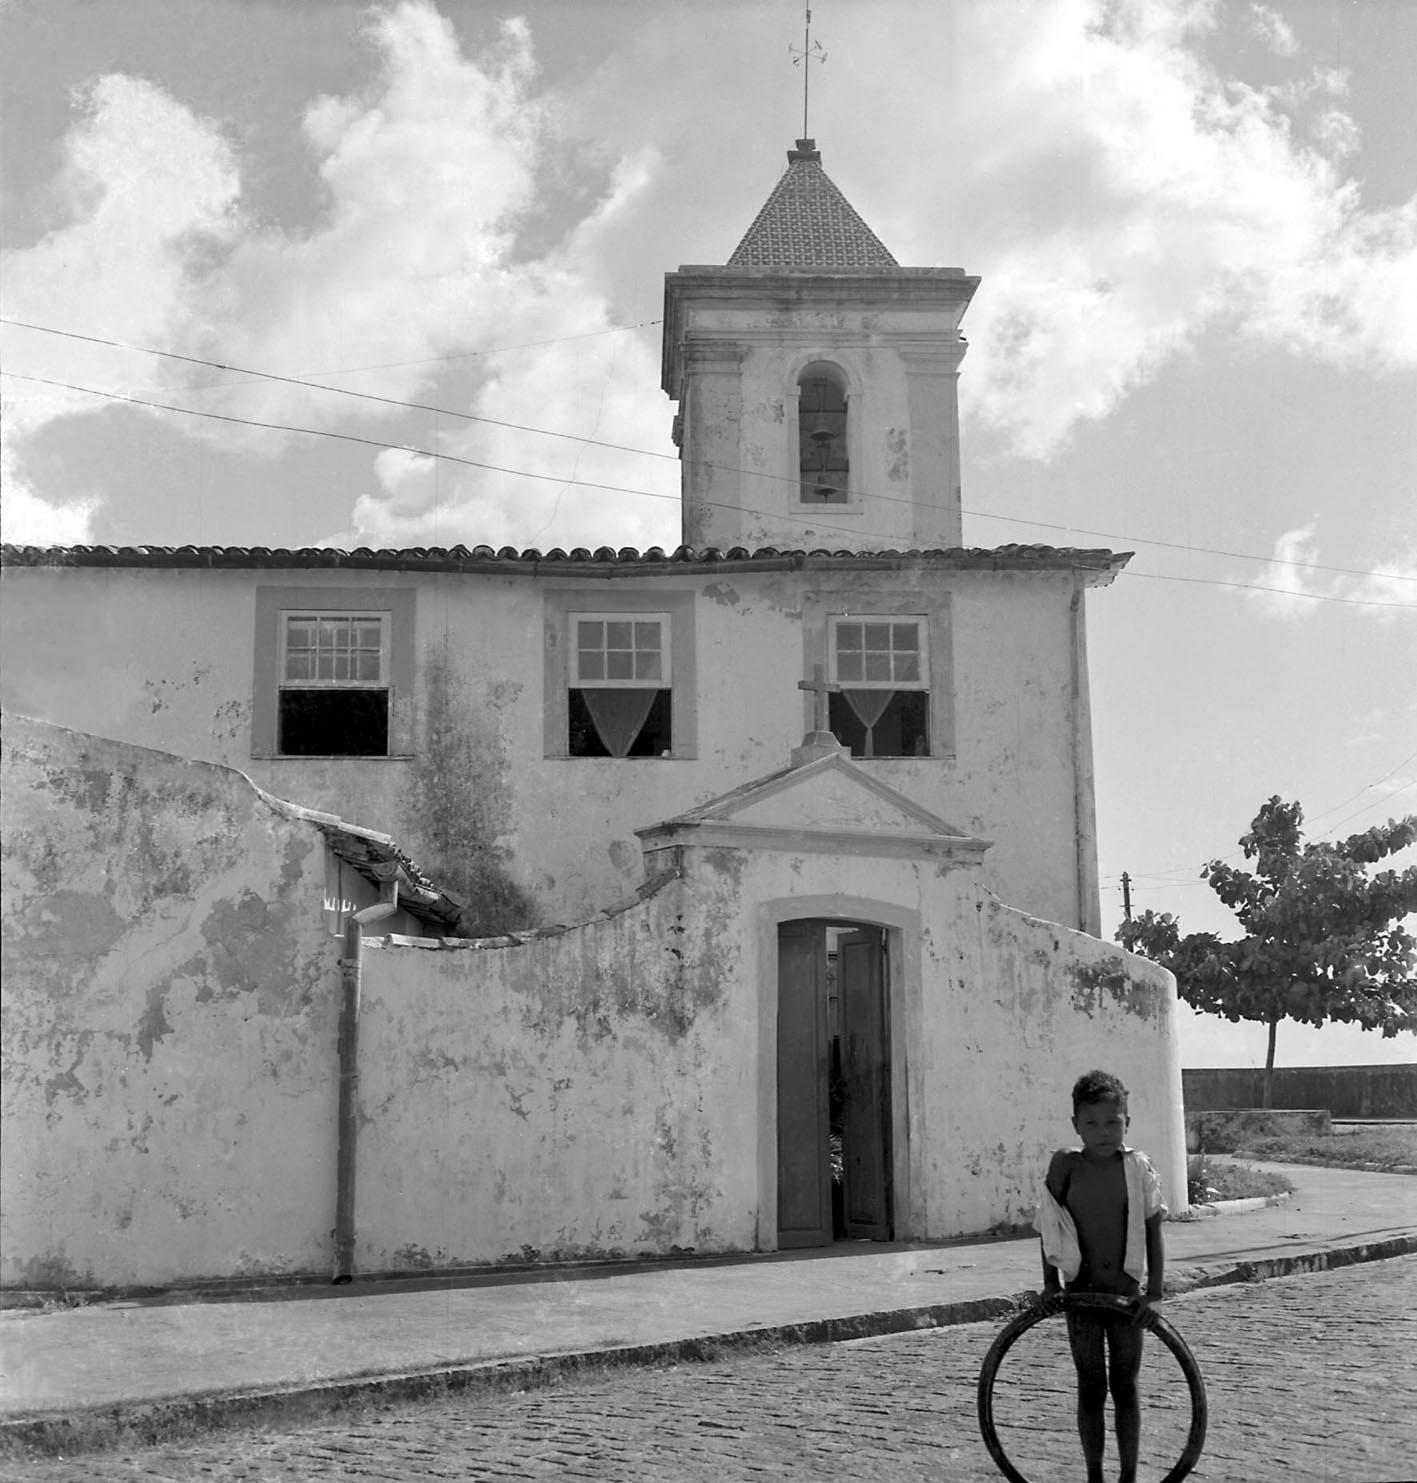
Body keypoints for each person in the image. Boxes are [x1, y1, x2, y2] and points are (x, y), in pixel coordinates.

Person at [1036, 1069, 1167, 1483]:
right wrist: (1050, 1286)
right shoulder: (1065, 1166)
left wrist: (1155, 1293)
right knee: (1091, 1386)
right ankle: (1095, 1474)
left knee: (1125, 1386)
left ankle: (1128, 1475)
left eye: (1113, 1122)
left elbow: (1153, 1229)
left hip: (1127, 1298)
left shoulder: (1137, 1168)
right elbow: (1049, 1227)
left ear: (1128, 1122)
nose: (1103, 1131)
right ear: (1076, 1125)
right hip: (1081, 1297)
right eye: (1091, 1123)